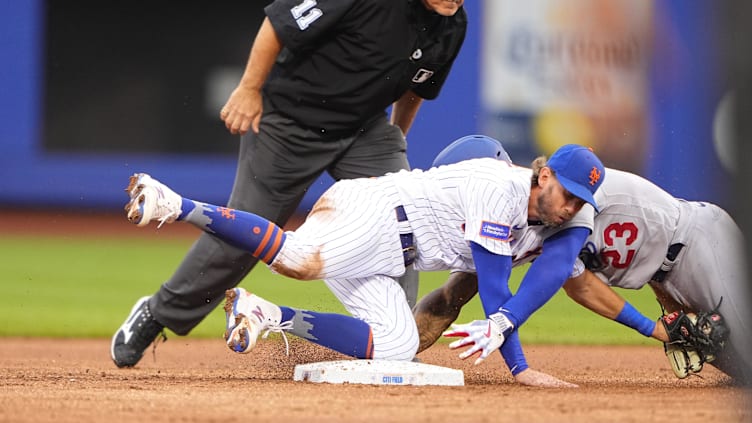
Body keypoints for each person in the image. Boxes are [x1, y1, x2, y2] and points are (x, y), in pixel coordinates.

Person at [110, 0, 468, 368]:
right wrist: (250, 89)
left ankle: (393, 339)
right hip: (289, 122)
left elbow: (415, 89)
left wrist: (394, 139)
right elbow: (277, 24)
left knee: (401, 219)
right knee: (243, 235)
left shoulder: (452, 24)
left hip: (364, 129)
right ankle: (158, 314)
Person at [119, 143, 605, 377]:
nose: (570, 206)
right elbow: (497, 289)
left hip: (390, 252)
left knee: (397, 343)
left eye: (581, 201)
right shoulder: (501, 188)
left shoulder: (536, 219)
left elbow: (500, 282)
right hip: (375, 214)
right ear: (543, 176)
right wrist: (520, 369)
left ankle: (265, 314)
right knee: (296, 257)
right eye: (568, 192)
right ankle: (174, 203)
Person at [416, 161, 751, 385]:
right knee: (738, 368)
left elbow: (562, 270)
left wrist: (654, 329)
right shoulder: (520, 219)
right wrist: (397, 349)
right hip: (662, 276)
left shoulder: (567, 197)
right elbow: (579, 287)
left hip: (698, 242)